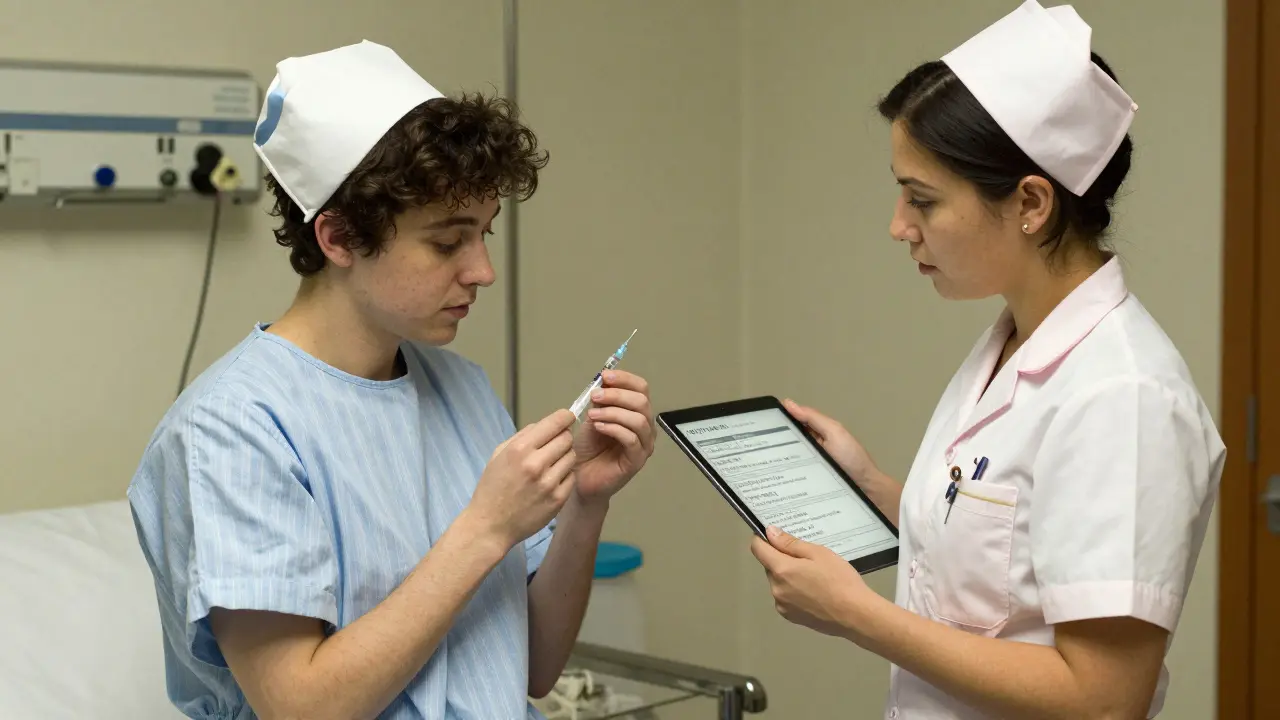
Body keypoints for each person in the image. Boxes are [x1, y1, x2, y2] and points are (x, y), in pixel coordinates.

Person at [127, 40, 656, 720]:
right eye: (447, 242)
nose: (482, 272)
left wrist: (584, 504)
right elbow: (302, 708)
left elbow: (533, 667)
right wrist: (486, 530)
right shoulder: (233, 430)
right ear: (339, 237)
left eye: (486, 235)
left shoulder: (460, 389)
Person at [748, 2, 1224, 719]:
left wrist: (860, 616)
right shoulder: (1015, 341)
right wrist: (874, 487)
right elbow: (1009, 571)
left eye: (923, 199)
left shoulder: (1123, 395)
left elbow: (1103, 699)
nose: (898, 226)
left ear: (1031, 203)